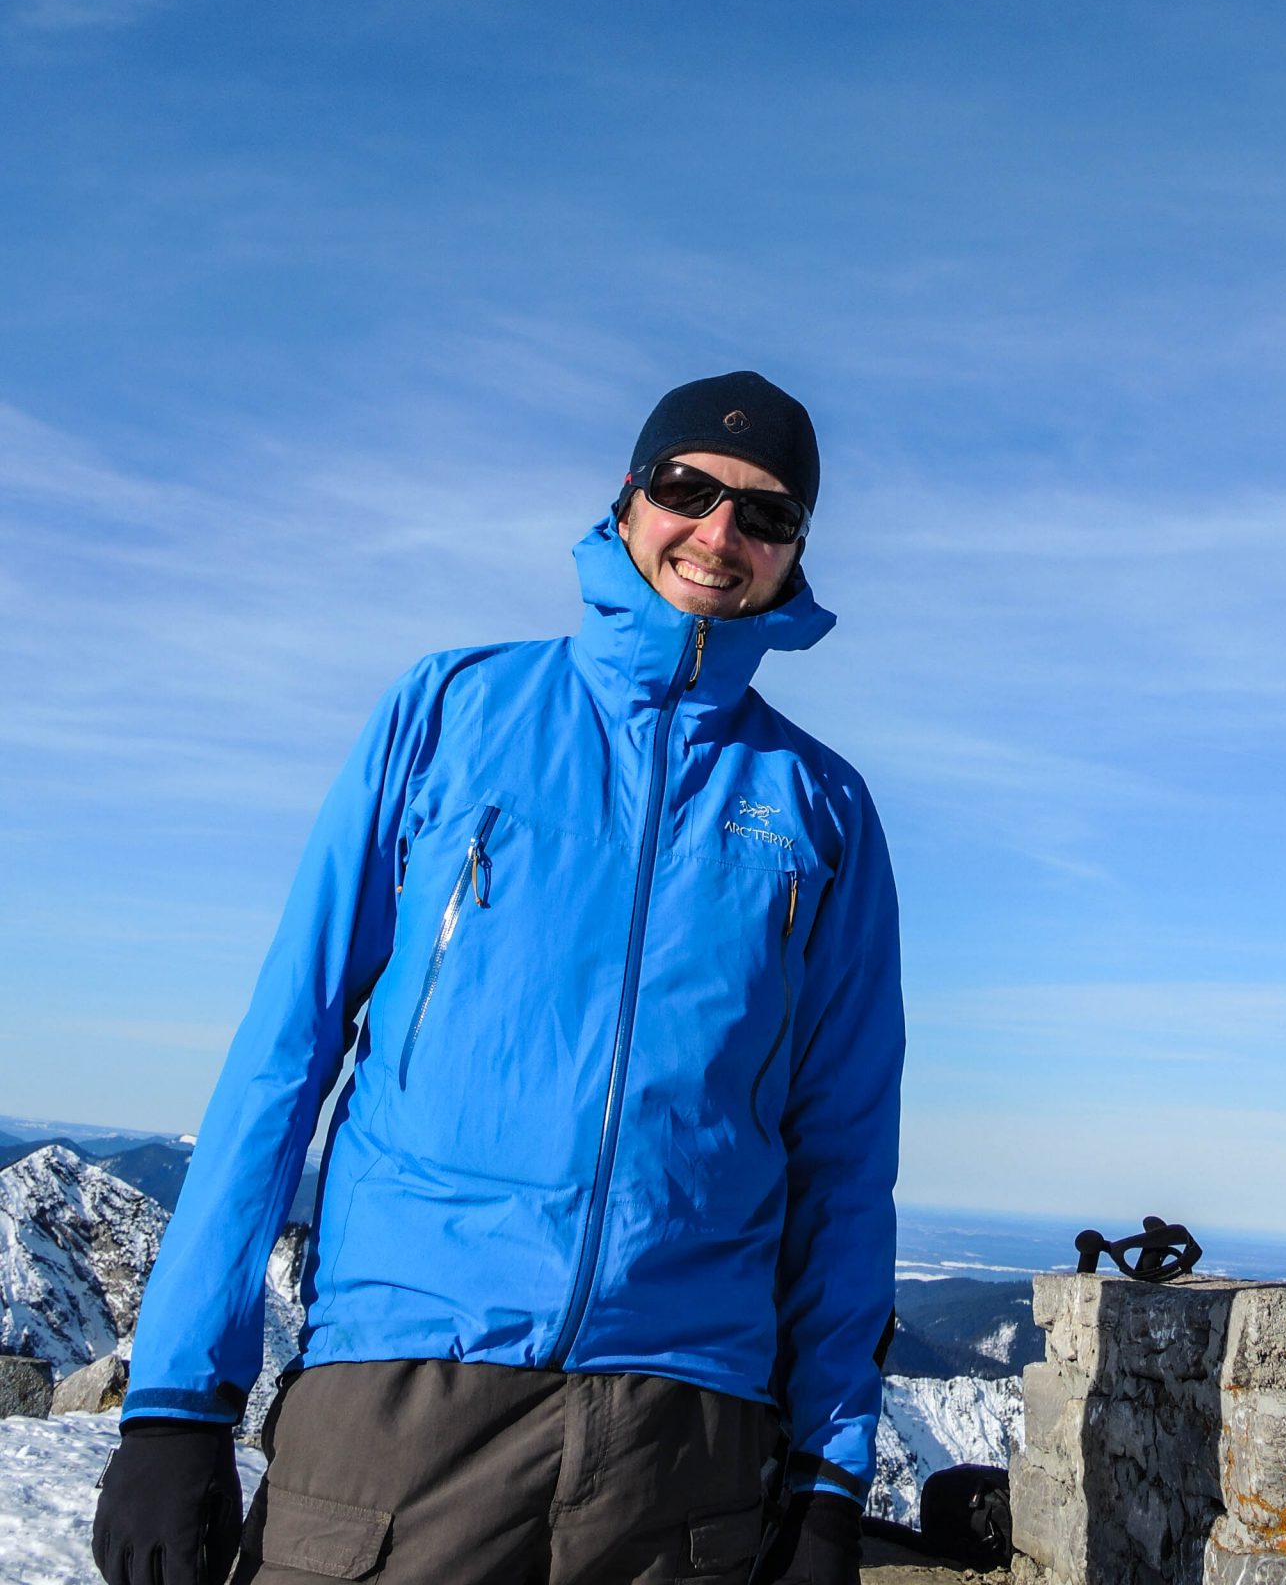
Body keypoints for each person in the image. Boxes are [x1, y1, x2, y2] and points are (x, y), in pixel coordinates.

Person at [96, 371, 904, 1585]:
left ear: (794, 554)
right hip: (402, 1402)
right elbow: (286, 1048)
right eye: (688, 488)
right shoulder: (451, 710)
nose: (719, 532)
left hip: (683, 1445)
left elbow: (843, 1155)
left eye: (767, 513)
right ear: (628, 499)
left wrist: (830, 1478)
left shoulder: (820, 806)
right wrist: (175, 1398)